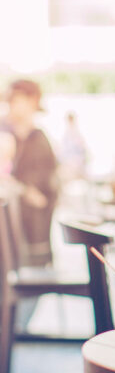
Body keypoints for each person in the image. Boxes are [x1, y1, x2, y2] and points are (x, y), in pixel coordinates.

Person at [0, 79, 58, 267]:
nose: (10, 105)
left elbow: (41, 196)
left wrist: (23, 190)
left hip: (33, 239)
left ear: (32, 101)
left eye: (15, 99)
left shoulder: (39, 140)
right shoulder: (7, 135)